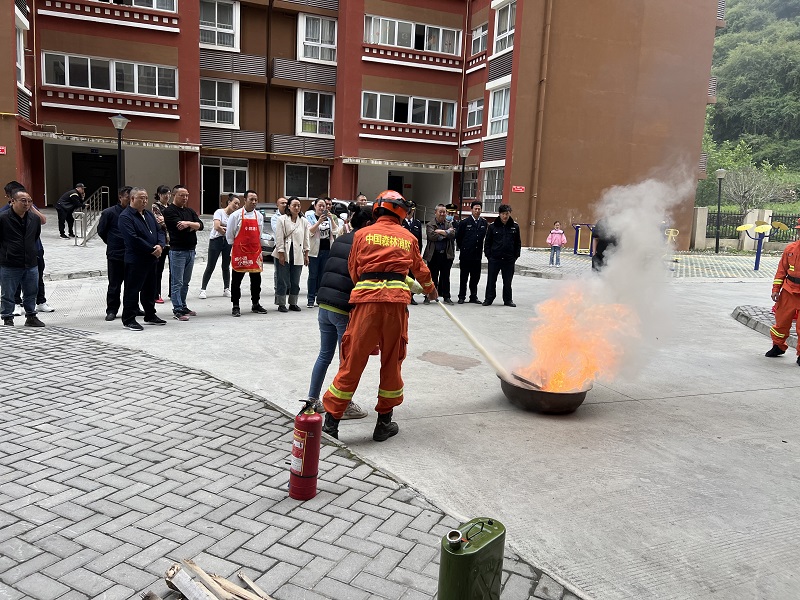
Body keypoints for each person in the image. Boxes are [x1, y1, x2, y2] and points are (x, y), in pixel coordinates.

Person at [321, 190, 437, 442]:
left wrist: (367, 286)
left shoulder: (361, 234)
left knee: (352, 361)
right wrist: (431, 291)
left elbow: (353, 269)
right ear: (401, 211)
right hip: (395, 307)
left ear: (377, 210)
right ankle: (383, 422)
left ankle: (331, 424)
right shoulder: (409, 237)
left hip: (366, 304)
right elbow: (421, 270)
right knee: (392, 361)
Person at [306, 206, 373, 419]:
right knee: (347, 361)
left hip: (324, 305)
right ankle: (344, 404)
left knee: (324, 355)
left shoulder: (341, 239)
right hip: (342, 309)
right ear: (368, 225)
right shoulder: (363, 243)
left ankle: (312, 400)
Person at [117, 187, 167, 331]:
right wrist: (152, 249)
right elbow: (133, 239)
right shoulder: (126, 217)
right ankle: (128, 319)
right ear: (132, 199)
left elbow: (159, 231)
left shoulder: (149, 215)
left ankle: (150, 315)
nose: (145, 201)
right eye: (141, 198)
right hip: (136, 260)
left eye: (146, 198)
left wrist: (160, 246)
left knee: (150, 289)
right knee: (132, 290)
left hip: (152, 259)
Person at [2, 181, 52, 315]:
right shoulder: (3, 216)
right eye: (23, 200)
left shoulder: (32, 216)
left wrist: (31, 207)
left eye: (29, 200)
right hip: (11, 259)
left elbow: (38, 229)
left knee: (34, 284)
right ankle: (12, 311)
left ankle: (37, 307)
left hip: (33, 255)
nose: (27, 203)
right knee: (10, 288)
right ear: (11, 199)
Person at [162, 185, 203, 321]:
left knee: (186, 282)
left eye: (187, 195)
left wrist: (188, 223)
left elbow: (201, 225)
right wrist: (192, 225)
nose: (185, 198)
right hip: (177, 251)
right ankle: (177, 309)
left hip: (191, 250)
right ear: (174, 195)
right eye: (182, 195)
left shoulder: (190, 211)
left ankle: (183, 305)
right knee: (177, 282)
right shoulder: (169, 211)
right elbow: (181, 228)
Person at [227, 190, 268, 317]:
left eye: (256, 199)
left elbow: (259, 233)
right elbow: (230, 234)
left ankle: (255, 303)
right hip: (240, 252)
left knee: (256, 281)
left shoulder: (259, 216)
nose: (254, 202)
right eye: (251, 199)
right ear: (245, 200)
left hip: (255, 252)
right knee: (236, 281)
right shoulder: (236, 215)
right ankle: (235, 305)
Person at [765, 218, 800, 366]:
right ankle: (778, 346)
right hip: (788, 290)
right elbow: (781, 271)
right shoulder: (790, 249)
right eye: (799, 230)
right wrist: (775, 290)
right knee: (781, 322)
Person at [97, 186, 132, 321]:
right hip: (115, 254)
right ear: (120, 197)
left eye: (132, 198)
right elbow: (101, 231)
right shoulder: (109, 213)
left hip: (132, 254)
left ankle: (132, 308)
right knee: (114, 285)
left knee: (132, 284)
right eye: (127, 198)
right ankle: (112, 310)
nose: (129, 201)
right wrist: (112, 242)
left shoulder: (135, 213)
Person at [199, 194, 240, 299]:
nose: (237, 206)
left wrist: (226, 230)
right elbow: (217, 227)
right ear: (229, 202)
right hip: (216, 241)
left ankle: (227, 289)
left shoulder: (235, 216)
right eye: (235, 203)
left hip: (228, 242)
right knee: (210, 265)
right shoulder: (219, 212)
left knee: (226, 266)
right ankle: (203, 289)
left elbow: (235, 230)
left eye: (238, 204)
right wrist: (227, 230)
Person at [273, 196, 309, 312]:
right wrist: (281, 254)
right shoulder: (282, 219)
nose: (297, 208)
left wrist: (306, 254)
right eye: (294, 205)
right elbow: (279, 238)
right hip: (284, 251)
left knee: (295, 280)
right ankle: (281, 303)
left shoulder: (303, 221)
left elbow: (306, 239)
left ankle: (293, 303)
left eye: (298, 205)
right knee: (282, 279)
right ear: (289, 206)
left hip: (298, 253)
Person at [483, 204, 521, 307]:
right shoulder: (492, 226)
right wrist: (489, 256)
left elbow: (518, 243)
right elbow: (487, 243)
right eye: (503, 214)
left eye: (507, 214)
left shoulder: (515, 227)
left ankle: (508, 300)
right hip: (495, 258)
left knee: (507, 281)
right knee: (491, 280)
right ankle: (489, 299)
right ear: (499, 214)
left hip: (509, 259)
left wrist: (515, 256)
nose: (505, 216)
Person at [306, 197, 337, 308]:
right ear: (314, 206)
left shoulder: (329, 219)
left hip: (326, 250)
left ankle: (320, 298)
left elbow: (335, 231)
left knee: (323, 276)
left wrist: (331, 219)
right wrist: (319, 222)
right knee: (313, 275)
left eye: (324, 206)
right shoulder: (309, 217)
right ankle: (310, 299)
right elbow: (310, 232)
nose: (322, 208)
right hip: (314, 251)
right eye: (319, 205)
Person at [423, 203, 456, 305]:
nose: (442, 214)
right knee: (432, 277)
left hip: (446, 255)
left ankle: (446, 297)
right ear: (435, 212)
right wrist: (446, 233)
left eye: (444, 212)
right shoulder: (430, 224)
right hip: (434, 255)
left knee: (446, 277)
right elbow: (432, 236)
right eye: (440, 212)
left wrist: (441, 231)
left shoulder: (449, 223)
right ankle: (429, 296)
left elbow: (453, 235)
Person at [456, 200, 488, 304]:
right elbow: (459, 238)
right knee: (464, 277)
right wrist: (464, 248)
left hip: (477, 255)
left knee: (475, 277)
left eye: (479, 209)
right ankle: (461, 296)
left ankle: (473, 296)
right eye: (475, 209)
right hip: (466, 255)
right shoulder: (464, 222)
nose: (477, 211)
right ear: (471, 210)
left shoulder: (484, 223)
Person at [150, 185, 171, 303]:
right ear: (159, 194)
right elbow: (159, 222)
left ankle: (173, 293)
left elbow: (167, 222)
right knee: (159, 269)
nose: (167, 196)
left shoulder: (171, 207)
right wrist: (171, 222)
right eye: (164, 194)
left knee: (173, 270)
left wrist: (167, 221)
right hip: (162, 242)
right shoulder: (155, 206)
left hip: (172, 242)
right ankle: (156, 294)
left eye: (168, 194)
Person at [401, 205, 424, 305]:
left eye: (413, 210)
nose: (411, 212)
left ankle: (411, 296)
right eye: (410, 210)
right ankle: (403, 294)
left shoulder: (417, 223)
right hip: (403, 253)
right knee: (404, 275)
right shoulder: (401, 222)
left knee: (412, 275)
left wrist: (419, 253)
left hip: (413, 254)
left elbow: (419, 240)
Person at [271, 196, 289, 305]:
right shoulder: (275, 217)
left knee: (287, 272)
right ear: (277, 205)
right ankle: (277, 290)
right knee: (278, 272)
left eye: (286, 202)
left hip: (291, 247)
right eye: (282, 203)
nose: (285, 204)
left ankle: (286, 289)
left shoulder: (291, 216)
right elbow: (278, 232)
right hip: (278, 247)